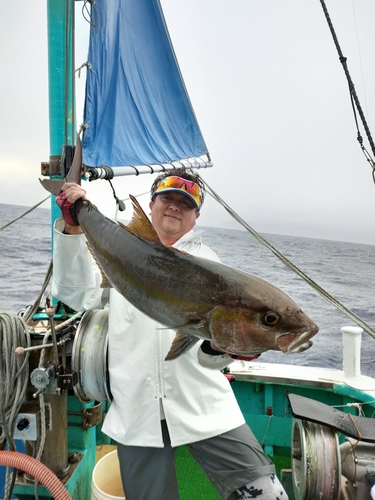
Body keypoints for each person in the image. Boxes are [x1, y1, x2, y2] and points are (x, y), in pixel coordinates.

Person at [52, 167, 289, 500]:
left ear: (196, 217)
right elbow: (75, 293)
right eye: (167, 198)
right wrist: (72, 229)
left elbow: (208, 357)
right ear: (151, 206)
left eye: (186, 203)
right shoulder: (121, 256)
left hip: (206, 409)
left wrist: (228, 349)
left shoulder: (209, 264)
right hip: (137, 413)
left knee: (267, 494)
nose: (175, 207)